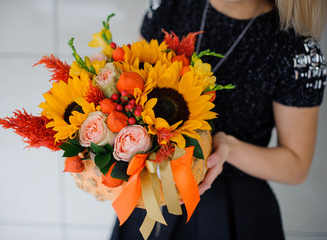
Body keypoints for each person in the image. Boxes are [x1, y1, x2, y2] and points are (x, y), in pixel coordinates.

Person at [110, 0, 327, 239]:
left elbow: (296, 166)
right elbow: (134, 87)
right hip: (151, 193)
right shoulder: (168, 4)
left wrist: (228, 148)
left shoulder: (298, 49)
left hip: (234, 210)